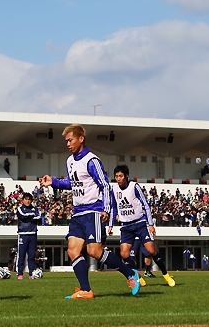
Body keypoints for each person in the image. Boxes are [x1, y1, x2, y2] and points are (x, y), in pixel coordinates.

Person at [39, 124, 140, 299]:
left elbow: (105, 185)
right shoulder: (69, 161)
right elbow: (73, 183)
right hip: (78, 213)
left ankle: (130, 274)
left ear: (81, 138)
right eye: (66, 141)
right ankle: (86, 290)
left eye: (70, 140)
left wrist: (106, 209)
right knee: (72, 250)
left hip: (93, 210)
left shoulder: (92, 161)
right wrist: (53, 182)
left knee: (94, 251)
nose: (68, 144)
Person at [108, 165, 175, 287]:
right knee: (124, 254)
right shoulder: (114, 190)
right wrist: (111, 225)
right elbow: (113, 208)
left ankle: (166, 275)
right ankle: (137, 277)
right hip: (126, 226)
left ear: (126, 176)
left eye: (121, 176)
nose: (118, 179)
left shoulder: (134, 186)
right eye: (116, 176)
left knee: (151, 250)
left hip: (140, 223)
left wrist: (150, 224)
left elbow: (145, 204)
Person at [16, 192, 41, 279]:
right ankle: (20, 273)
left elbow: (38, 217)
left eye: (29, 199)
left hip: (33, 234)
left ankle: (31, 274)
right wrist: (31, 216)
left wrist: (29, 217)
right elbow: (22, 216)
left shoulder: (35, 209)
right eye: (26, 199)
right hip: (23, 234)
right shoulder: (20, 208)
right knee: (21, 255)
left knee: (32, 256)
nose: (27, 201)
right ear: (23, 200)